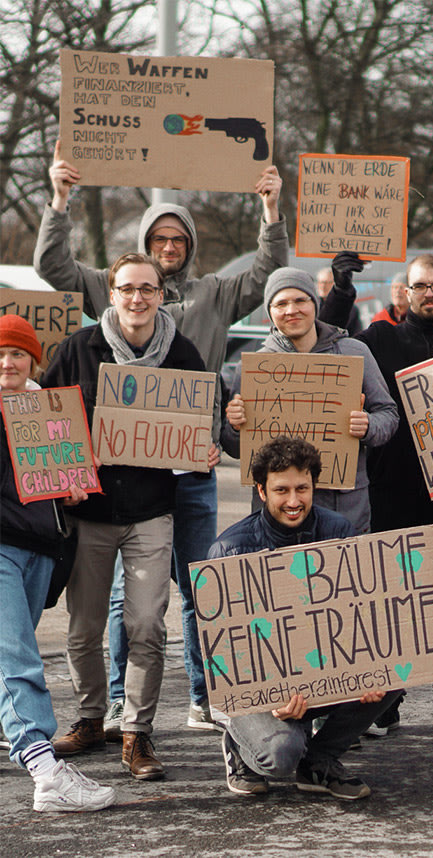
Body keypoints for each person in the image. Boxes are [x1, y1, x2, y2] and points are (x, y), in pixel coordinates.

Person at [34, 141, 289, 735]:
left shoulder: (214, 296)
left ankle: (205, 693)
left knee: (201, 584)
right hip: (121, 483)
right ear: (137, 260)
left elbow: (266, 275)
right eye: (158, 241)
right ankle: (120, 705)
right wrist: (60, 199)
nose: (168, 250)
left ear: (189, 249)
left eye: (178, 241)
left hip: (190, 471)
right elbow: (55, 268)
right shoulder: (111, 290)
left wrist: (272, 212)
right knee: (126, 602)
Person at [41, 253, 216, 780]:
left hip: (151, 514)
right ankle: (93, 717)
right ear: (110, 294)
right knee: (83, 629)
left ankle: (138, 733)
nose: (137, 298)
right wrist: (61, 470)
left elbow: (203, 421)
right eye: (126, 289)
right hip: (89, 514)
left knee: (145, 625)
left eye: (148, 289)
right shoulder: (78, 349)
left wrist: (203, 447)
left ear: (162, 295)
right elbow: (45, 418)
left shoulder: (182, 355)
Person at [322, 253, 433, 732]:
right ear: (406, 292)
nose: (429, 293)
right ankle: (386, 697)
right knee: (389, 595)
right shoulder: (381, 339)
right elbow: (326, 344)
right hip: (389, 488)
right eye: (420, 286)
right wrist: (342, 288)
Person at [208, 436, 402, 799]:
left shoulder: (339, 532)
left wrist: (367, 668)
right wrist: (269, 698)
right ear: (262, 492)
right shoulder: (229, 551)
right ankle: (240, 747)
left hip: (324, 675)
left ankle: (319, 762)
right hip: (261, 692)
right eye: (282, 490)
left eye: (303, 488)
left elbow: (358, 616)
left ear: (315, 486)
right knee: (280, 755)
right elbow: (225, 658)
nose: (294, 501)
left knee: (396, 671)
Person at [0, 315, 116, 813]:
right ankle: (46, 771)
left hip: (41, 547)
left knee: (8, 654)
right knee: (17, 657)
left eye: (18, 353)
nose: (8, 361)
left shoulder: (49, 410)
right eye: (0, 353)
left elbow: (56, 481)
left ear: (33, 360)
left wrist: (69, 494)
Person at [220, 266, 399, 533]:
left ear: (314, 304)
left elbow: (389, 415)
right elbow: (235, 448)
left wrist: (369, 426)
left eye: (300, 300)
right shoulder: (255, 367)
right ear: (270, 312)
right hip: (278, 518)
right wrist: (234, 426)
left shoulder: (354, 353)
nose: (291, 310)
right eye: (281, 303)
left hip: (344, 510)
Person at [317, 265, 363, 334]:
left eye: (327, 283)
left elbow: (356, 333)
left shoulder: (350, 309)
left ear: (336, 284)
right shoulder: (312, 305)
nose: (323, 286)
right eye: (321, 282)